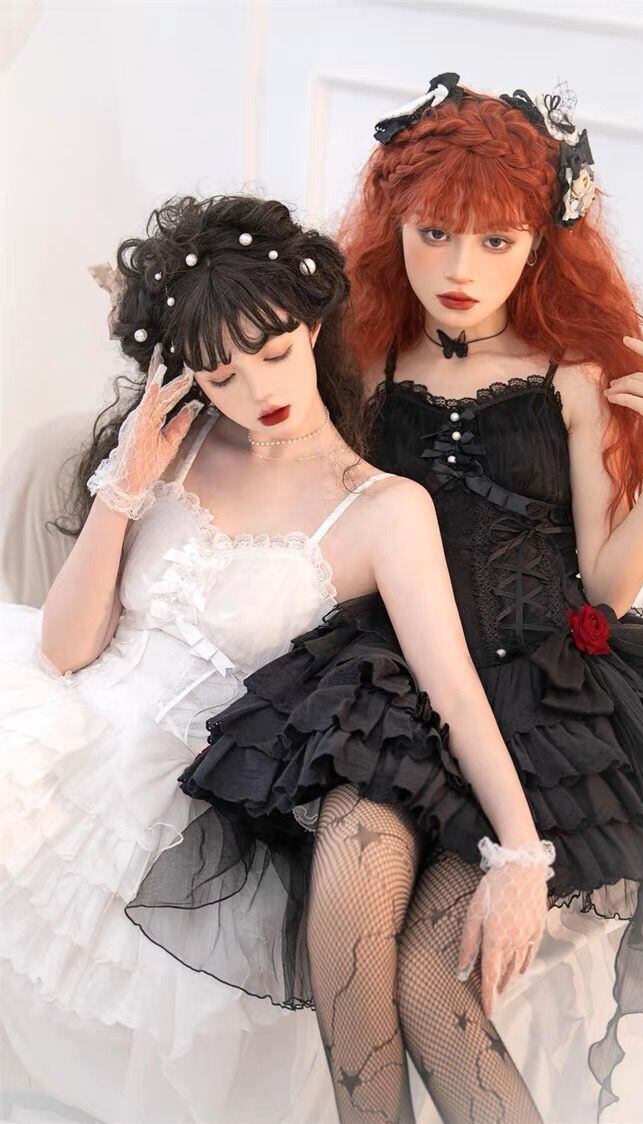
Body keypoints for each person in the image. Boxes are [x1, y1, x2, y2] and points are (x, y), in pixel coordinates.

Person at [0, 192, 553, 1124]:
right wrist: (125, 486)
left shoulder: (384, 509)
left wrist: (521, 854)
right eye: (221, 375)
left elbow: (455, 692)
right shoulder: (175, 451)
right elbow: (63, 651)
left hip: (187, 790)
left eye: (274, 351)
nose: (258, 391)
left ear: (311, 326)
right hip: (67, 736)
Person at [326, 73, 643, 1117]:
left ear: (542, 241)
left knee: (431, 973)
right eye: (432, 234)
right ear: (393, 224)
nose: (459, 268)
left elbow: (608, 583)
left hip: (541, 701)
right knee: (350, 928)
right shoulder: (368, 361)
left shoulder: (571, 375)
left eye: (495, 240)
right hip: (396, 687)